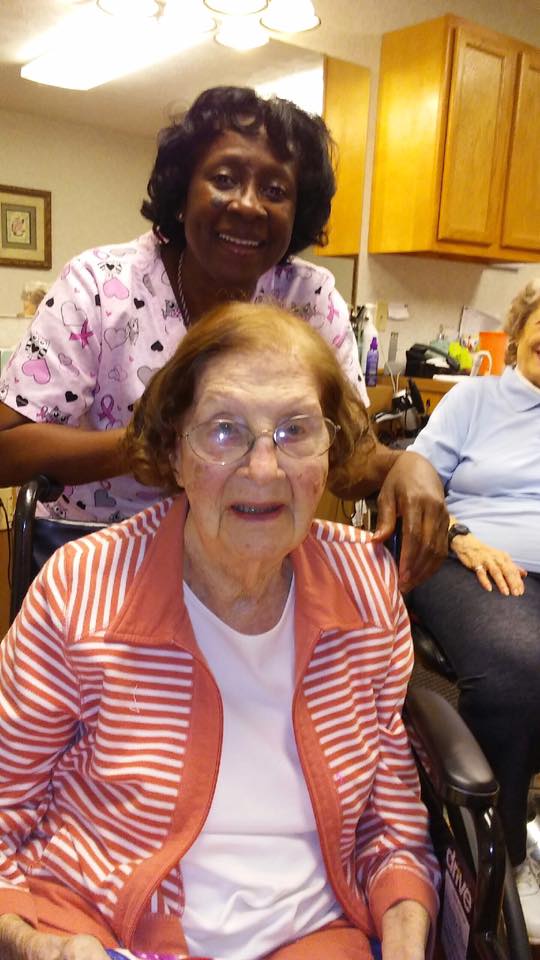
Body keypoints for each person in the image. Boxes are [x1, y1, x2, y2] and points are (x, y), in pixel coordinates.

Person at [0, 303, 439, 960]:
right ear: (174, 451)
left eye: (296, 430)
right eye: (224, 431)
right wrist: (39, 946)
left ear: (331, 453)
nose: (264, 469)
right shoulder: (79, 589)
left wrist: (405, 946)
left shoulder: (367, 591)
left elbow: (392, 830)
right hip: (104, 929)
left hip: (313, 938)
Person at [0, 85, 447, 592]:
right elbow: (6, 448)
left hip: (253, 562)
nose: (249, 205)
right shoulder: (100, 286)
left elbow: (349, 456)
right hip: (104, 559)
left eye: (276, 191)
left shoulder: (308, 298)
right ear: (182, 190)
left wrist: (406, 464)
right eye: (225, 179)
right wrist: (152, 447)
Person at [407, 279, 540, 943]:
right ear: (520, 329)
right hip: (473, 557)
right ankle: (496, 858)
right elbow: (414, 483)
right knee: (518, 669)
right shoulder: (478, 399)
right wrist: (459, 537)